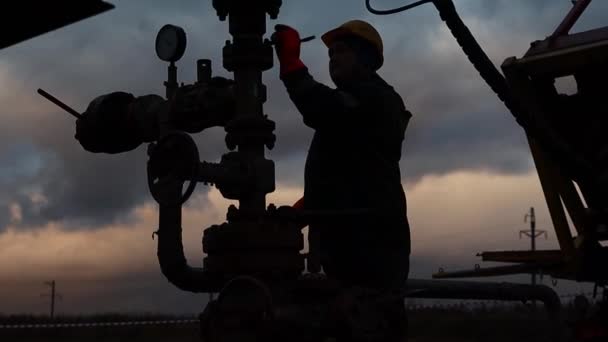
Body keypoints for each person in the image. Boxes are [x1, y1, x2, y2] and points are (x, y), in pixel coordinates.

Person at [272, 20, 412, 338]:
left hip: (373, 253)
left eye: (342, 50)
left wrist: (291, 63)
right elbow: (345, 178)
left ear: (364, 58)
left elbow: (319, 106)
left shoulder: (378, 99)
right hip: (349, 252)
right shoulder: (347, 114)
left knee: (373, 325)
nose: (332, 57)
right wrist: (301, 213)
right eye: (330, 52)